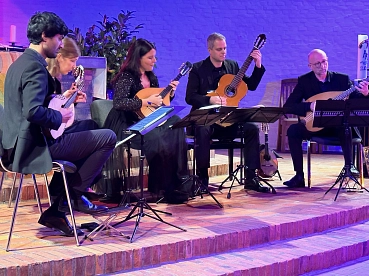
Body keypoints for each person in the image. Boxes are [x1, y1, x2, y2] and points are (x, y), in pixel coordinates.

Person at [1, 12, 117, 237]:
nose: (61, 44)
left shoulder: (21, 63)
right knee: (107, 137)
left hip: (19, 143)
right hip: (32, 147)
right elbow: (32, 111)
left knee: (88, 129)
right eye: (59, 38)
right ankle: (64, 203)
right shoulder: (35, 67)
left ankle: (62, 204)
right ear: (45, 36)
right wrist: (59, 118)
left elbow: (35, 104)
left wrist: (63, 99)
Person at [102, 38, 188, 203]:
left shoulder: (151, 77)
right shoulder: (126, 77)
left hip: (146, 119)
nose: (154, 61)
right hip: (126, 122)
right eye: (150, 57)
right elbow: (119, 103)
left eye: (154, 57)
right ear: (138, 58)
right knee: (155, 138)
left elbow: (156, 104)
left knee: (176, 123)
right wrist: (146, 101)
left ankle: (174, 184)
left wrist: (169, 94)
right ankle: (162, 188)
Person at [185, 32, 270, 193]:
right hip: (207, 120)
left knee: (251, 128)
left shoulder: (232, 66)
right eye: (219, 49)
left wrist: (258, 65)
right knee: (202, 129)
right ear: (209, 50)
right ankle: (202, 179)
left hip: (229, 120)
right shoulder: (197, 69)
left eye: (225, 48)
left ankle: (251, 178)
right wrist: (210, 100)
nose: (223, 52)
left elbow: (250, 85)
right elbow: (190, 97)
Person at [283, 49, 369, 188]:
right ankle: (299, 175)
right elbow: (289, 106)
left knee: (344, 124)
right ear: (310, 66)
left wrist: (366, 94)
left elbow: (356, 101)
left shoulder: (341, 79)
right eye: (317, 64)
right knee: (293, 130)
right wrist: (309, 106)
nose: (322, 66)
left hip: (337, 127)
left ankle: (349, 168)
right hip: (315, 126)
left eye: (324, 62)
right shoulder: (305, 81)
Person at [46, 37, 104, 200]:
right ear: (59, 57)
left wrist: (69, 98)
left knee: (91, 125)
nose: (73, 66)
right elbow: (45, 113)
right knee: (98, 136)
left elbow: (54, 106)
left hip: (52, 134)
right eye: (72, 61)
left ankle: (65, 187)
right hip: (46, 141)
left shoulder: (55, 81)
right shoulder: (45, 79)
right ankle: (75, 188)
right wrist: (64, 100)